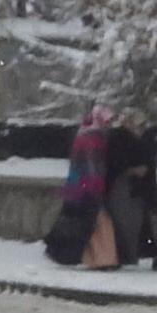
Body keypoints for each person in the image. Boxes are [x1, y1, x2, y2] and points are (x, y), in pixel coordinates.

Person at [42, 104, 116, 267]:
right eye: (108, 121)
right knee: (97, 222)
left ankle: (90, 258)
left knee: (82, 222)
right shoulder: (95, 136)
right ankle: (102, 259)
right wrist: (96, 187)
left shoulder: (83, 132)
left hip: (77, 184)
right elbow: (93, 164)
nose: (110, 125)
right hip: (89, 186)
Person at [104, 109, 157, 270]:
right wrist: (133, 170)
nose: (142, 128)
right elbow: (115, 163)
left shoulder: (136, 139)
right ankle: (125, 255)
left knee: (143, 223)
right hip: (127, 188)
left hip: (139, 189)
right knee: (130, 224)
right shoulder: (119, 139)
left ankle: (156, 254)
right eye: (140, 124)